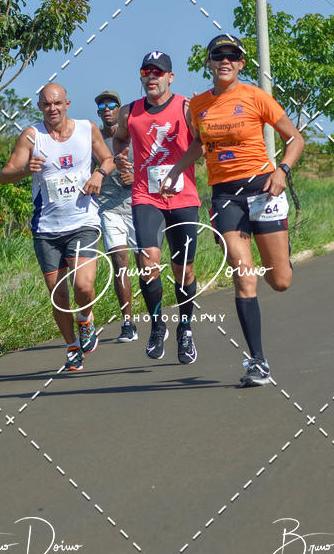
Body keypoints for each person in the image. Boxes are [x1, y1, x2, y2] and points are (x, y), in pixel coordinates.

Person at [161, 34, 304, 387]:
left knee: (280, 281)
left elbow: (294, 139)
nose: (225, 60)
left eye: (232, 56)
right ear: (209, 63)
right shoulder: (198, 105)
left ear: (240, 63)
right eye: (218, 55)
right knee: (244, 274)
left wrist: (282, 170)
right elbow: (200, 143)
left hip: (263, 189)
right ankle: (258, 361)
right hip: (225, 195)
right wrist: (176, 170)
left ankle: (280, 253)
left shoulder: (256, 97)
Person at [0, 82, 114, 371]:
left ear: (67, 103)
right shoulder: (32, 136)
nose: (52, 108)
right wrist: (25, 169)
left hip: (83, 221)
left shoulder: (87, 129)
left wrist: (99, 174)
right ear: (40, 107)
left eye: (57, 103)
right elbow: (5, 175)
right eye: (47, 104)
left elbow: (108, 159)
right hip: (46, 229)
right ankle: (72, 346)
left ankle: (85, 318)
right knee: (59, 296)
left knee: (83, 286)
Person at [113, 51, 201, 363]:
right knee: (148, 263)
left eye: (158, 72)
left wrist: (177, 170)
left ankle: (185, 328)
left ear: (170, 77)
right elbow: (120, 139)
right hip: (145, 196)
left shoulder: (186, 107)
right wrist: (121, 156)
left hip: (183, 196)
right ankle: (157, 325)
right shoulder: (129, 112)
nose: (152, 76)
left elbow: (202, 145)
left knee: (183, 269)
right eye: (146, 71)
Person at [94, 89, 138, 342]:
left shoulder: (134, 136)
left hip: (137, 205)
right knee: (120, 262)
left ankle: (155, 317)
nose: (107, 110)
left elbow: (155, 165)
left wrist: (136, 177)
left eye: (111, 105)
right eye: (102, 107)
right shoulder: (95, 141)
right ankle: (128, 323)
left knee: (146, 265)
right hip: (108, 207)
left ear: (120, 110)